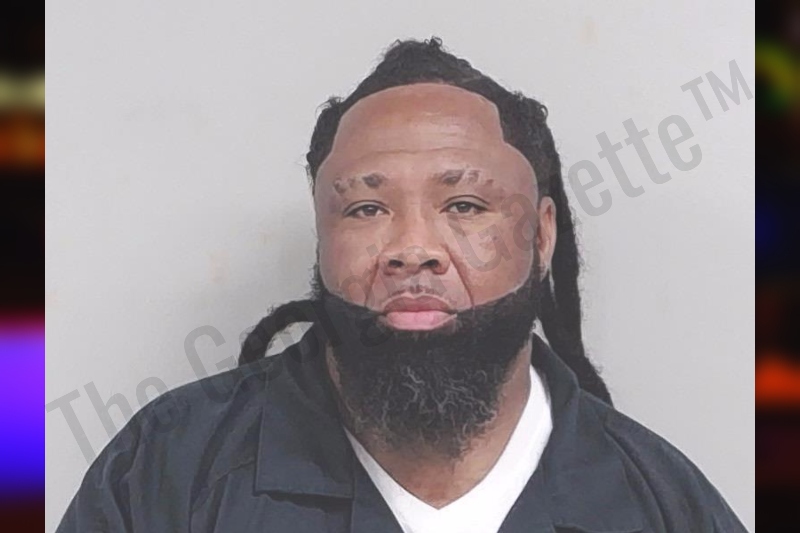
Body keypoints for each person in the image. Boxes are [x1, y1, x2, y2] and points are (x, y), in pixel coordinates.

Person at [57, 37, 747, 532]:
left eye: (465, 205)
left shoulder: (663, 504)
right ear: (323, 235)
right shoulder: (167, 469)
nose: (412, 249)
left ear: (542, 235)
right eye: (366, 208)